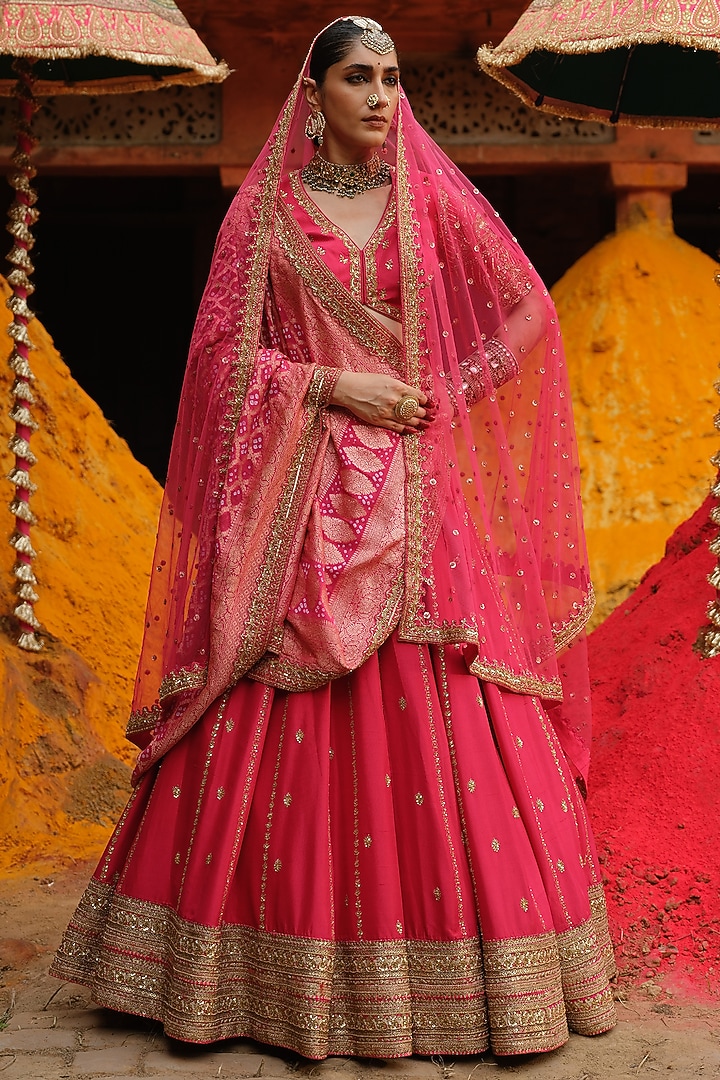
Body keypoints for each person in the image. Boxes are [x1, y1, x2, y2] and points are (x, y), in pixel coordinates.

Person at [51, 16, 616, 1060]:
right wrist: (328, 384)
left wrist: (444, 391)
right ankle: (250, 979)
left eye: (393, 79)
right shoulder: (263, 216)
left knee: (449, 701)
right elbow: (221, 364)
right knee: (275, 700)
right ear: (311, 95)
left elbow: (527, 311)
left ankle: (477, 978)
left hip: (418, 498)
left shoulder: (429, 203)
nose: (380, 97)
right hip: (301, 510)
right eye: (359, 77)